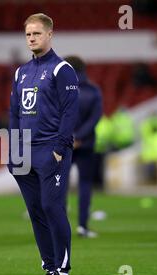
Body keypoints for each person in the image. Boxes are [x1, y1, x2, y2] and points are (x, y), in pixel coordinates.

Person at [8, 13, 79, 275]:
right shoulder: (21, 72)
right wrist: (14, 150)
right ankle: (50, 269)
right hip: (25, 152)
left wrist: (60, 148)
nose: (32, 38)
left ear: (50, 34)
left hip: (52, 150)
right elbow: (14, 113)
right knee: (36, 211)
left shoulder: (63, 70)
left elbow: (70, 112)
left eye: (37, 33)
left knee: (52, 206)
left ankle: (63, 272)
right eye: (28, 34)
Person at [64, 56, 102, 238]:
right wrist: (79, 137)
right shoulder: (93, 90)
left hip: (63, 144)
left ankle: (59, 228)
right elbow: (95, 118)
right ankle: (82, 227)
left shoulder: (58, 89)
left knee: (59, 184)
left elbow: (54, 116)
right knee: (85, 184)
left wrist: (70, 137)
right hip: (86, 143)